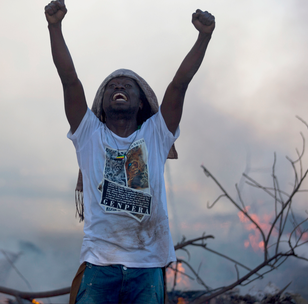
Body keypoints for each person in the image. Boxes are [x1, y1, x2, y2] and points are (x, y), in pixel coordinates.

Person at [45, 1, 215, 303]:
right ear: (103, 102)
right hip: (100, 266)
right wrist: (55, 27)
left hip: (147, 268)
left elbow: (179, 85)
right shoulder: (88, 134)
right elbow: (69, 79)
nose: (118, 87)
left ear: (140, 103)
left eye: (127, 86)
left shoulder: (156, 134)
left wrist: (203, 37)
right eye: (112, 86)